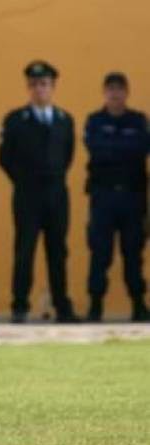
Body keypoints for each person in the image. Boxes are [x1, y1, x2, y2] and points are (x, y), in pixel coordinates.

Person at [0, 61, 79, 324]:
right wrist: (24, 181)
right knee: (25, 250)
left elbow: (67, 156)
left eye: (44, 84)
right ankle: (20, 306)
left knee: (58, 251)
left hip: (56, 195)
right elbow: (5, 158)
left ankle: (62, 306)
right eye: (33, 84)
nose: (39, 89)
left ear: (52, 87)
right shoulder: (16, 120)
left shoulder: (64, 120)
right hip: (27, 195)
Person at [84, 72, 150, 321]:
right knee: (100, 252)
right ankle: (95, 305)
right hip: (103, 197)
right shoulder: (95, 121)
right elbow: (97, 150)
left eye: (119, 89)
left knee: (133, 253)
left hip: (133, 197)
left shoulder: (138, 120)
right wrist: (124, 148)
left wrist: (113, 147)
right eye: (111, 89)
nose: (115, 93)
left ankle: (138, 304)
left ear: (126, 92)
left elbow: (142, 148)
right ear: (104, 92)